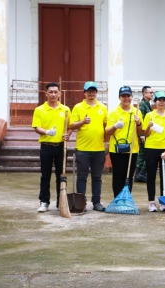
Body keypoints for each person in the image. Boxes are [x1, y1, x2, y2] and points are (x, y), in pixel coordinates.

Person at [32, 82, 72, 212]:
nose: (53, 94)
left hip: (61, 147)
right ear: (46, 94)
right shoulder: (39, 110)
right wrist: (47, 132)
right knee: (45, 175)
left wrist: (68, 135)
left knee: (61, 176)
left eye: (56, 92)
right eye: (51, 92)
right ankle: (44, 201)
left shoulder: (65, 109)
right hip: (46, 147)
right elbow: (36, 127)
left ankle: (61, 201)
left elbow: (70, 127)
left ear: (60, 93)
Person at [69, 81, 108, 212]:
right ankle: (81, 202)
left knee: (97, 177)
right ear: (84, 93)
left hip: (98, 149)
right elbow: (71, 125)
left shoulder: (103, 107)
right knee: (82, 177)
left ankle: (96, 202)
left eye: (93, 91)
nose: (91, 93)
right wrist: (82, 122)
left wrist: (106, 142)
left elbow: (105, 126)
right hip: (83, 149)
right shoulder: (78, 107)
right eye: (89, 91)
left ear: (96, 93)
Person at [142, 91, 165, 212]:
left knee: (164, 176)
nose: (161, 102)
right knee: (151, 176)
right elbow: (145, 134)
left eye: (164, 100)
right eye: (159, 100)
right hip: (151, 148)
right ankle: (151, 202)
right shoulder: (149, 115)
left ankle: (163, 201)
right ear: (155, 101)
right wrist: (149, 126)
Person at [105, 86, 143, 199]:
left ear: (131, 97)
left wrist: (139, 122)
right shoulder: (114, 113)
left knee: (129, 176)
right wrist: (115, 126)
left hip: (132, 149)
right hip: (116, 149)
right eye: (123, 96)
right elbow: (107, 132)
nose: (126, 98)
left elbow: (141, 132)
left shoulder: (137, 111)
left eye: (128, 96)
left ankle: (126, 199)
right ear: (119, 97)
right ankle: (117, 199)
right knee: (118, 175)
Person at [134, 86, 154, 183]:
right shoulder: (142, 104)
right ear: (144, 93)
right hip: (143, 133)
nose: (152, 94)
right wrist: (141, 134)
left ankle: (138, 175)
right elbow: (140, 118)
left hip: (146, 133)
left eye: (152, 92)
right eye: (150, 92)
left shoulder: (147, 104)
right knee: (147, 154)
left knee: (142, 155)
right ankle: (141, 173)